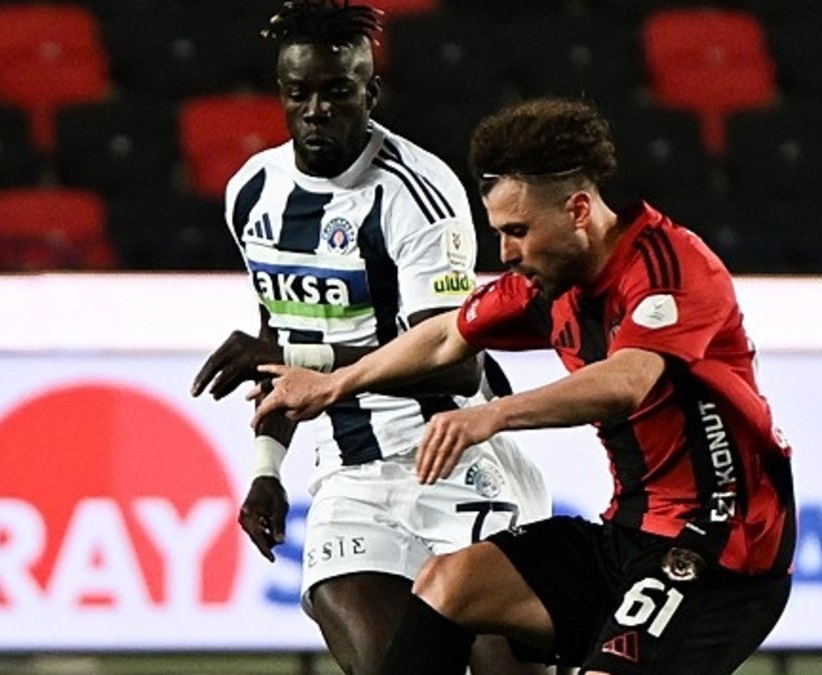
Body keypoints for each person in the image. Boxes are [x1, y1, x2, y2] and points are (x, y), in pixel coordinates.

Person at [251, 98, 797, 675]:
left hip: (721, 548)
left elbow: (626, 381)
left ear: (577, 210)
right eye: (499, 233)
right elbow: (447, 336)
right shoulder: (549, 283)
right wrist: (334, 384)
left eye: (517, 231)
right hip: (628, 533)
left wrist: (492, 414)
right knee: (450, 583)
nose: (506, 253)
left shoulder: (669, 268)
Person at [189, 3, 551, 674]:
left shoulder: (417, 193)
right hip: (350, 474)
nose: (316, 110)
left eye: (337, 91)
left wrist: (293, 358)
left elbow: (454, 361)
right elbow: (282, 334)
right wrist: (267, 470)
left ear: (370, 93)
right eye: (299, 93)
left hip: (452, 457)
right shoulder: (253, 193)